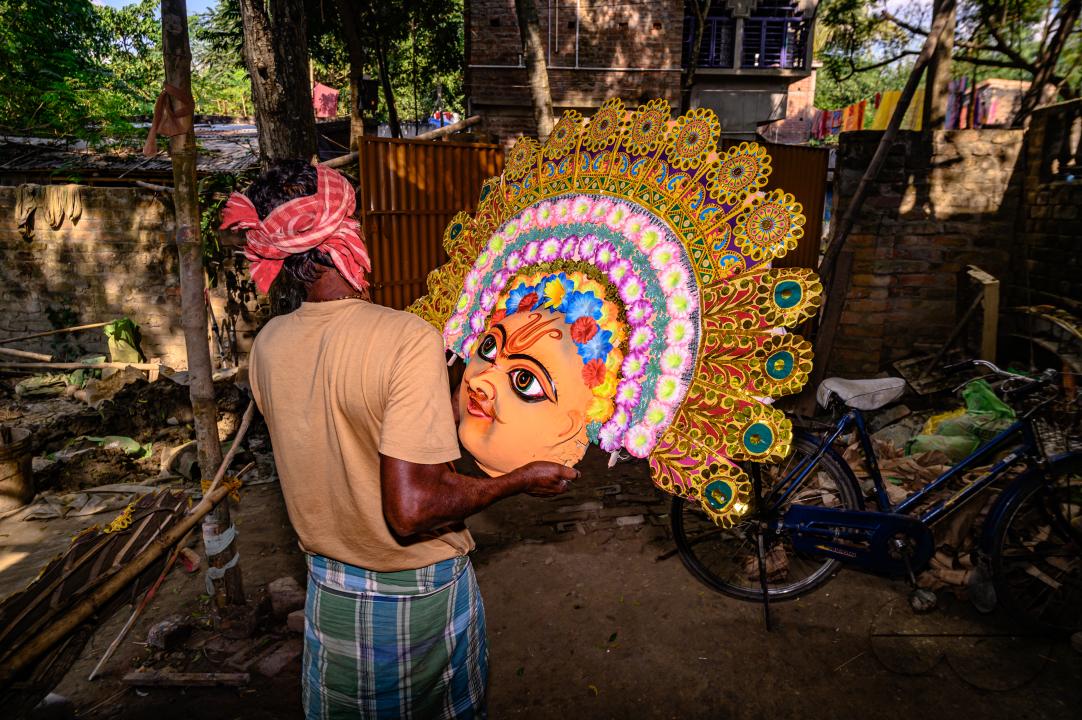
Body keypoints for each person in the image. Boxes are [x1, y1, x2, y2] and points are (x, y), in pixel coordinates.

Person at [225, 160, 577, 719]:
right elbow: (412, 509)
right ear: (344, 237)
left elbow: (340, 439)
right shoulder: (406, 339)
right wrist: (517, 481)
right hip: (416, 594)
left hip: (329, 589)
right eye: (359, 222)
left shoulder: (267, 344)